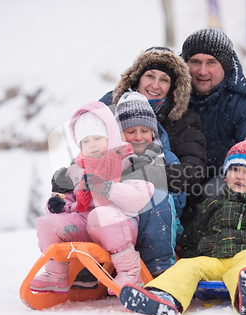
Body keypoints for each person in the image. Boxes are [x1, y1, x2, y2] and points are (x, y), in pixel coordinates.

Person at [118, 132, 246, 315]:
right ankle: (164, 297)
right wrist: (186, 253)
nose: (239, 176)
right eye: (235, 169)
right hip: (214, 260)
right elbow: (193, 239)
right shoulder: (212, 203)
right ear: (225, 175)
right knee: (189, 265)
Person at [30, 101, 154, 294]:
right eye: (85, 141)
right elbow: (68, 200)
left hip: (120, 222)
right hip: (84, 223)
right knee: (48, 223)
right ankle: (56, 276)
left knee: (101, 216)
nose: (92, 144)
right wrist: (57, 204)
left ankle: (130, 273)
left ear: (110, 136)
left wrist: (108, 188)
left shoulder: (129, 161)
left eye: (97, 137)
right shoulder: (74, 170)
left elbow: (140, 195)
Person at [179, 28, 246, 213]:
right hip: (177, 181)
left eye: (211, 63)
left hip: (222, 187)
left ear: (225, 66)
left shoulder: (244, 102)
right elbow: (130, 99)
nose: (202, 71)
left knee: (218, 189)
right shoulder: (169, 88)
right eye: (195, 62)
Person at [100, 46, 207, 200]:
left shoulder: (183, 120)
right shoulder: (111, 106)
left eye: (164, 80)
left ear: (172, 87)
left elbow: (193, 169)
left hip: (159, 198)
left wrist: (151, 175)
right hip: (109, 191)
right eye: (150, 76)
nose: (155, 85)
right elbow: (89, 148)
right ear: (137, 78)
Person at [115, 90, 184, 277]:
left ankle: (158, 267)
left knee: (157, 201)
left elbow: (178, 203)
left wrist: (165, 183)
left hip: (161, 224)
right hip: (124, 221)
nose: (138, 137)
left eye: (144, 131)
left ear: (152, 131)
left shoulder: (166, 158)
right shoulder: (112, 159)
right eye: (130, 131)